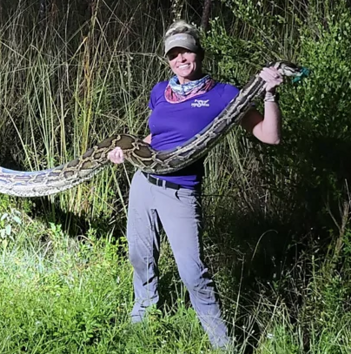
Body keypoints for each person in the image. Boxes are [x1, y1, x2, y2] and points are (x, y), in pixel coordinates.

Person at [108, 20, 282, 349]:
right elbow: (154, 137)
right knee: (139, 255)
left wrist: (269, 92)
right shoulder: (160, 91)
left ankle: (222, 344)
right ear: (168, 60)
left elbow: (269, 136)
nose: (180, 59)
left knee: (192, 273)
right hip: (144, 184)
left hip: (180, 192)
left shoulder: (224, 94)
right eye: (173, 54)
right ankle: (142, 323)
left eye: (185, 51)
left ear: (198, 52)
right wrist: (125, 151)